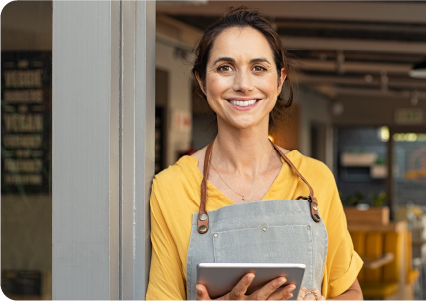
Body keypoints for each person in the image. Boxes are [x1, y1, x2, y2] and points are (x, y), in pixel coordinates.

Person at [146, 7, 364, 301]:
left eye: (258, 68)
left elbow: (349, 291)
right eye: (225, 67)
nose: (243, 84)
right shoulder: (171, 187)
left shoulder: (315, 179)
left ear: (279, 80)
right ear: (201, 81)